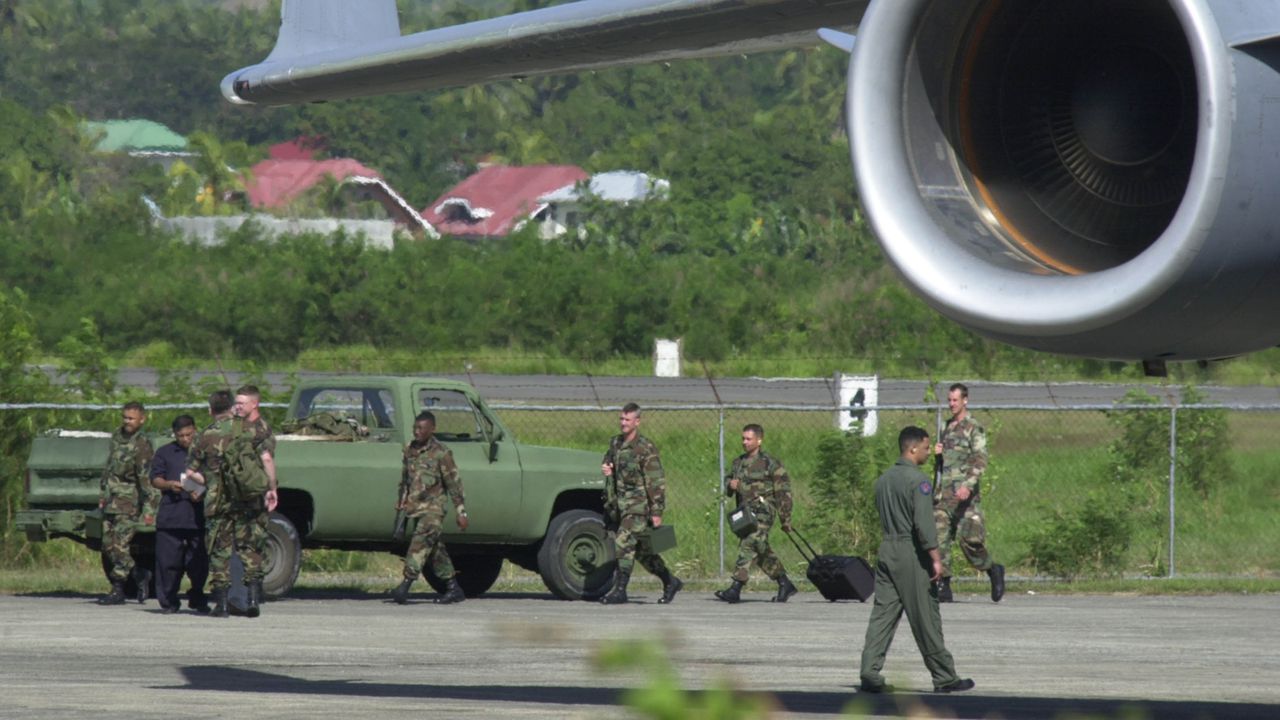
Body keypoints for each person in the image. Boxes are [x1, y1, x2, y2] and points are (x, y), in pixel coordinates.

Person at [859, 426, 974, 694]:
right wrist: (936, 558)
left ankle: (869, 671)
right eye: (925, 447)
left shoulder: (884, 480)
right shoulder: (918, 481)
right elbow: (923, 525)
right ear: (912, 448)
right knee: (925, 616)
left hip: (887, 549)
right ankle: (944, 676)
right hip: (910, 553)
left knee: (882, 615)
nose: (928, 452)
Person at [185, 390, 266, 618]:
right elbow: (266, 459)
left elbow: (190, 472)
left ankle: (221, 604)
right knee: (249, 547)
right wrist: (269, 487)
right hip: (248, 499)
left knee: (219, 551)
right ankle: (253, 599)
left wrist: (210, 481)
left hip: (217, 502)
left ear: (210, 410)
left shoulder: (204, 436)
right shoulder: (250, 430)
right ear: (232, 407)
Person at [599, 403, 682, 605]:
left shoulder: (645, 448)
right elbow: (609, 459)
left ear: (637, 422)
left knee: (623, 542)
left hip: (638, 506)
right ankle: (670, 581)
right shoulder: (616, 443)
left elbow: (655, 481)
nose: (623, 423)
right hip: (620, 505)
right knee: (644, 553)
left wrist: (657, 511)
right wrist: (607, 467)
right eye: (621, 419)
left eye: (627, 420)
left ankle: (620, 590)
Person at [932, 383, 1005, 603]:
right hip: (944, 495)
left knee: (970, 542)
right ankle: (943, 584)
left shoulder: (973, 428)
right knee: (939, 538)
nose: (951, 404)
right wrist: (937, 454)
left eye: (955, 400)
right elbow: (942, 464)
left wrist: (968, 485)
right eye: (949, 400)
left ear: (965, 400)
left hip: (965, 498)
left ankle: (992, 569)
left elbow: (980, 460)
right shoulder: (945, 427)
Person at [391, 411, 469, 605]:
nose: (417, 432)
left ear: (432, 429)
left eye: (421, 428)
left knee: (420, 541)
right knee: (434, 549)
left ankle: (405, 584)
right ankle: (454, 588)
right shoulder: (409, 450)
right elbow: (405, 479)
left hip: (434, 509)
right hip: (415, 508)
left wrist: (461, 511)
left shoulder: (441, 453)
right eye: (415, 428)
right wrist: (402, 501)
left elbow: (454, 484)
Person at [715, 423, 798, 603]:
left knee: (750, 542)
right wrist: (730, 485)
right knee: (760, 549)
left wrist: (785, 519)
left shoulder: (771, 464)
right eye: (743, 438)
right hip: (745, 514)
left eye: (748, 439)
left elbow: (783, 492)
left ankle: (735, 587)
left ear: (759, 440)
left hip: (763, 512)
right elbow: (729, 481)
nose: (744, 442)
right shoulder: (738, 463)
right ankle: (785, 583)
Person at [97, 401, 157, 605]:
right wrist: (103, 494)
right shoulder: (117, 437)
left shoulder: (142, 445)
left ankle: (118, 588)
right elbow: (109, 468)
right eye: (125, 417)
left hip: (129, 503)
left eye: (131, 418)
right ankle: (139, 573)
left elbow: (146, 480)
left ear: (142, 420)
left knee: (120, 545)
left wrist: (149, 509)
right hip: (111, 501)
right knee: (107, 545)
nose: (127, 421)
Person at [149, 414, 210, 614]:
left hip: (198, 515)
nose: (185, 439)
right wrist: (169, 484)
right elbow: (155, 478)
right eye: (181, 435)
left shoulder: (205, 452)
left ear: (195, 431)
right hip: (171, 515)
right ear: (174, 434)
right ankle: (169, 602)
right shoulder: (165, 452)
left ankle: (197, 597)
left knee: (199, 563)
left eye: (188, 435)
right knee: (168, 563)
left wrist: (202, 492)